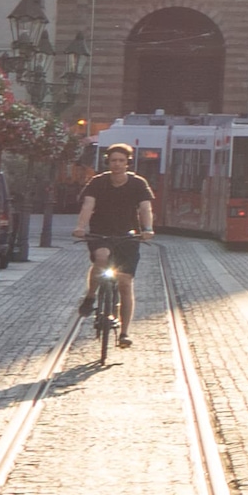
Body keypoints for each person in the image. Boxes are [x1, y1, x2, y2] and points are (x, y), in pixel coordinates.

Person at [79, 146, 157, 350]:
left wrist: (147, 228)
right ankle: (91, 296)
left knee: (124, 283)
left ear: (127, 163)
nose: (117, 164)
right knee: (102, 257)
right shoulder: (98, 182)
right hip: (101, 232)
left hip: (127, 235)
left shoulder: (138, 184)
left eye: (121, 160)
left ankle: (124, 332)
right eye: (113, 160)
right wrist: (80, 227)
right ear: (108, 162)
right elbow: (88, 205)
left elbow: (145, 208)